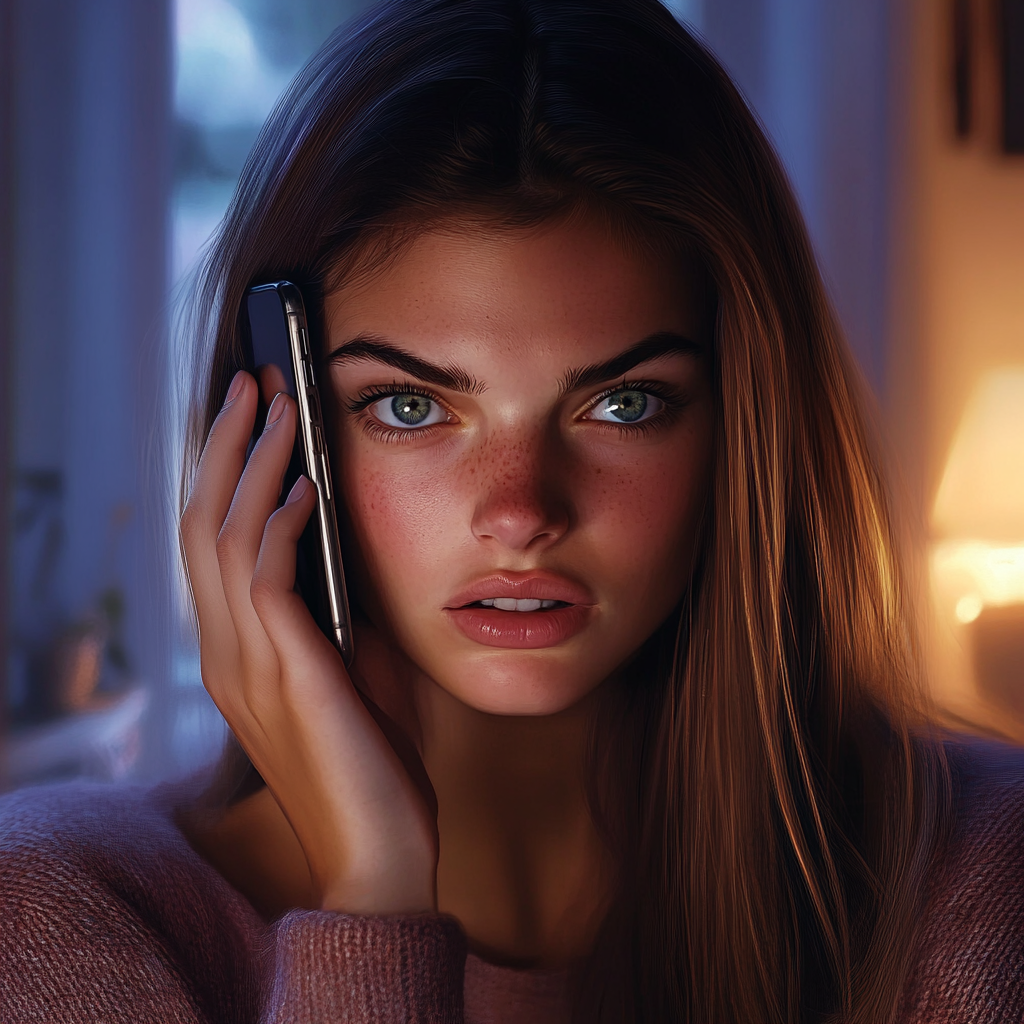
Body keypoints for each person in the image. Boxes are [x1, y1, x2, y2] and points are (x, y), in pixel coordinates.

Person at [3, 1, 1024, 1021]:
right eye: (409, 407)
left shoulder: (978, 874)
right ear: (271, 432)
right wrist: (373, 900)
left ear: (742, 436)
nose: (520, 512)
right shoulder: (58, 911)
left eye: (623, 403)